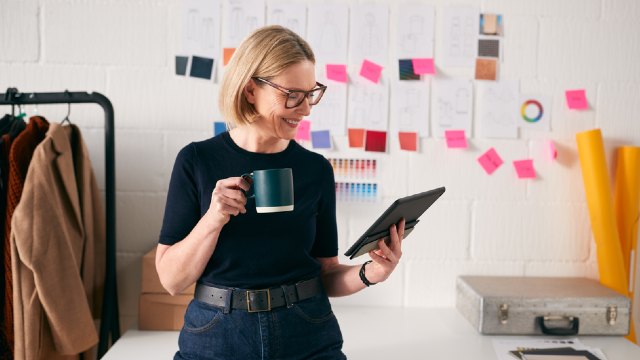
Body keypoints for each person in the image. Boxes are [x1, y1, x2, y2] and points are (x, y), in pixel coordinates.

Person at [155, 25, 405, 360]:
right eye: (292, 95)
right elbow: (171, 280)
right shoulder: (197, 160)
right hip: (217, 333)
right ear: (249, 90)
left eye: (311, 93)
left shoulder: (315, 169)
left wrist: (371, 273)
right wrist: (213, 219)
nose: (305, 109)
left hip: (306, 328)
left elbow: (326, 273)